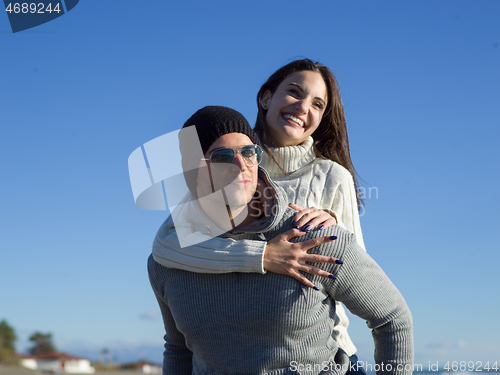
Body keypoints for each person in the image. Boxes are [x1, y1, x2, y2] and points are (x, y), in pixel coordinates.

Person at [148, 106, 413, 374]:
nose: (242, 166)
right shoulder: (166, 261)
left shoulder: (314, 237)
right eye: (223, 156)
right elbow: (178, 348)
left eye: (249, 153)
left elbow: (392, 318)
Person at [153, 59, 367, 367]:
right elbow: (168, 245)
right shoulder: (225, 158)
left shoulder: (333, 177)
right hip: (233, 350)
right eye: (294, 92)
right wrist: (263, 255)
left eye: (317, 104)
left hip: (325, 354)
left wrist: (333, 233)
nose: (303, 107)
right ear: (266, 98)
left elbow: (357, 275)